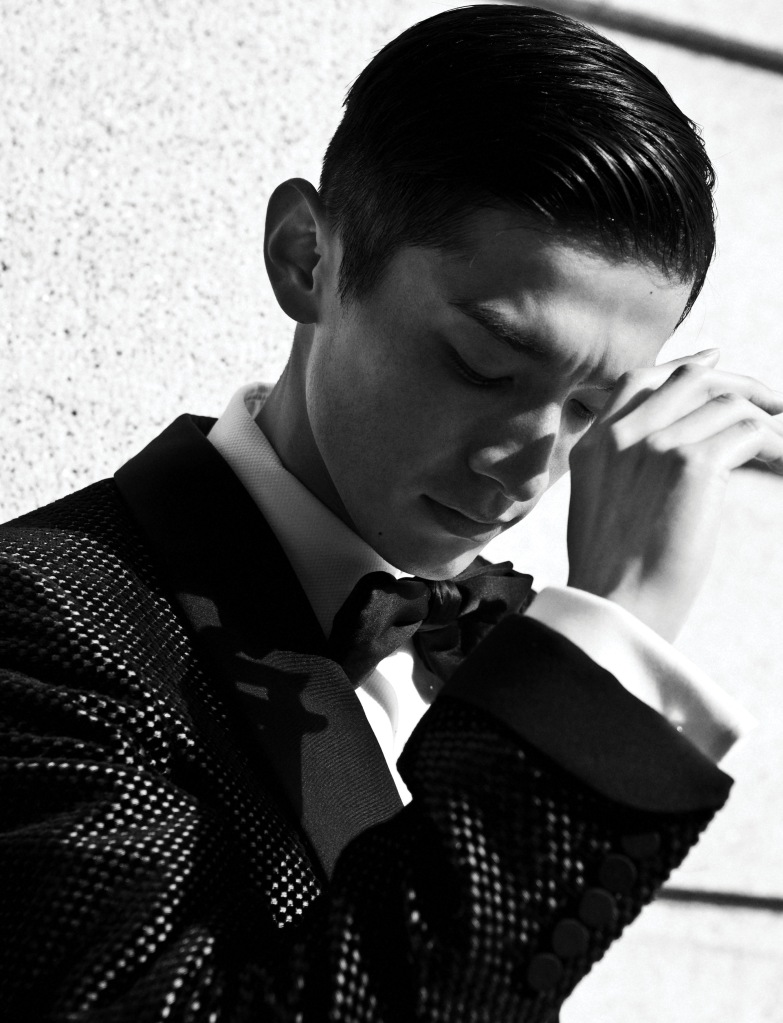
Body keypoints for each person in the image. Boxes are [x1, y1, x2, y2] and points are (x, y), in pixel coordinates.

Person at [1, 4, 780, 1020]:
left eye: (592, 407)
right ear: (307, 260)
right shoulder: (38, 624)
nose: (530, 464)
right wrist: (607, 650)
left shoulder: (494, 648)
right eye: (483, 364)